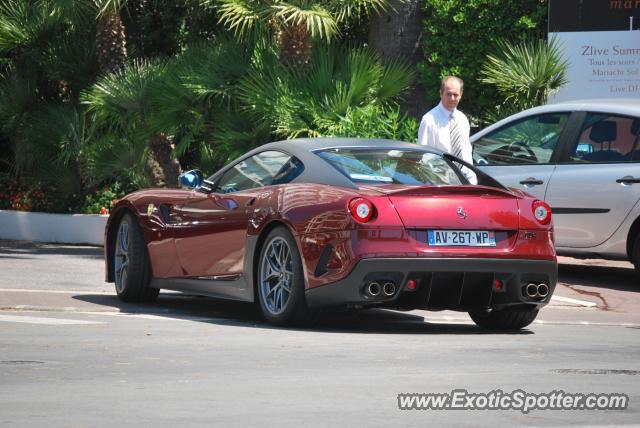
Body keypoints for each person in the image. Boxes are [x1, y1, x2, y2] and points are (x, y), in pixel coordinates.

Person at [418, 76, 476, 184]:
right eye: (448, 94)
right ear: (441, 93)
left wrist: (472, 179)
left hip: (466, 181)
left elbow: (466, 151)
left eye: (456, 95)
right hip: (441, 182)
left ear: (461, 95)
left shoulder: (462, 119)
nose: (452, 98)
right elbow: (424, 156)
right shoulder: (429, 120)